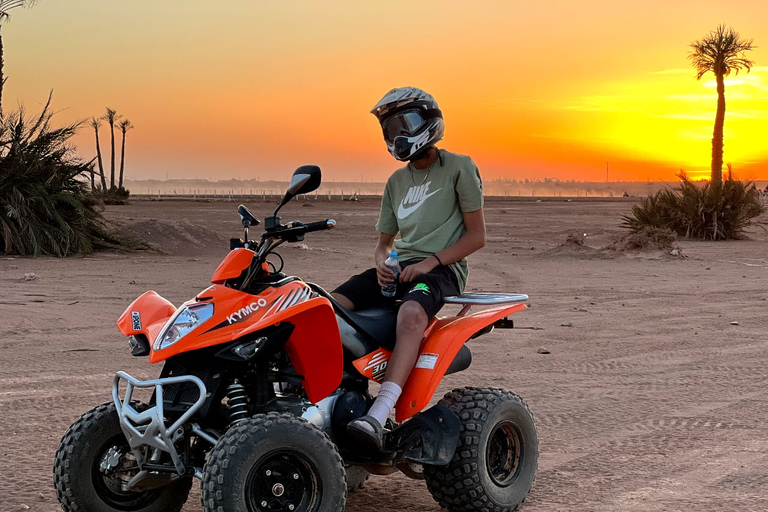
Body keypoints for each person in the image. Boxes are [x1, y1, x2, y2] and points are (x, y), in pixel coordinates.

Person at [331, 87, 486, 449]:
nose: (397, 136)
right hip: (399, 268)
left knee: (412, 315)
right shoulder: (396, 182)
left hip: (442, 270)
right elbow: (384, 243)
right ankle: (335, 398)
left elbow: (477, 237)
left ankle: (380, 412)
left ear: (428, 121)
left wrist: (432, 261)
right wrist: (382, 262)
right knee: (328, 305)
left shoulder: (460, 167)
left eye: (405, 124)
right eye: (390, 130)